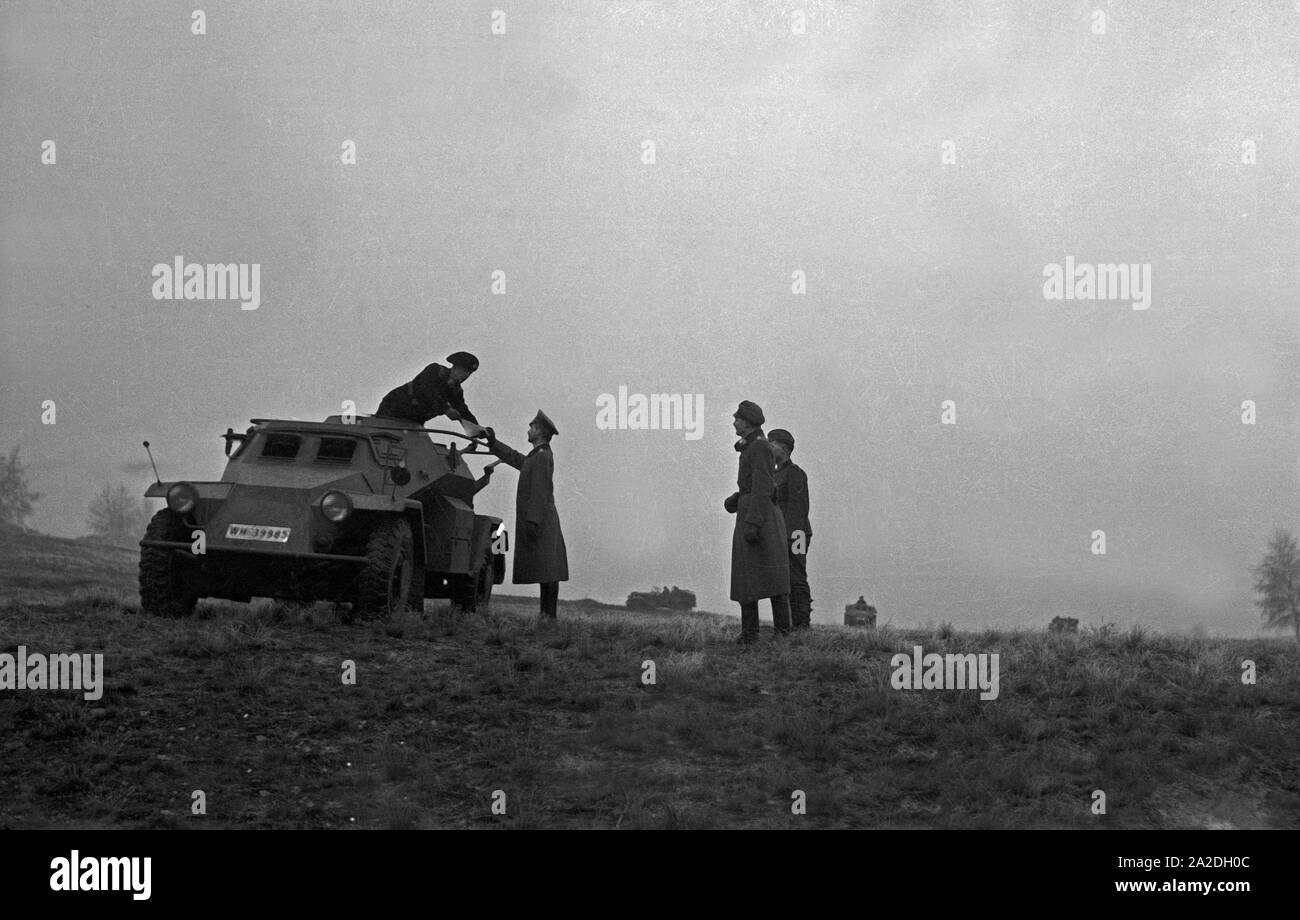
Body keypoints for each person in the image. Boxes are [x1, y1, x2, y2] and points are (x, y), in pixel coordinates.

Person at [485, 411, 568, 619]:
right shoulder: (537, 456)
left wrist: (532, 521)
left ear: (539, 431)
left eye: (532, 427)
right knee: (547, 570)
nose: (528, 430)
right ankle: (547, 617)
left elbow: (540, 490)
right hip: (542, 520)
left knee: (548, 572)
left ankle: (548, 618)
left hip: (539, 520)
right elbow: (515, 457)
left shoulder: (541, 457)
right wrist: (494, 443)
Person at [723, 401, 791, 643]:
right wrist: (737, 498)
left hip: (759, 518)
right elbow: (756, 483)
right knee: (747, 576)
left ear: (747, 422)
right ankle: (751, 633)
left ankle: (781, 632)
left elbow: (763, 486)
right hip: (753, 512)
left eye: (737, 419)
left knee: (773, 577)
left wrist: (752, 522)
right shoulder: (754, 447)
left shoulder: (760, 447)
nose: (734, 423)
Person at [768, 428, 812, 629]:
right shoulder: (774, 474)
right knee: (783, 578)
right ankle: (790, 622)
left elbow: (799, 508)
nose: (769, 447)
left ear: (784, 448)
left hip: (797, 534)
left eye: (772, 443)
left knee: (797, 575)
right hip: (783, 534)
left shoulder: (795, 473)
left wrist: (789, 537)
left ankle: (802, 623)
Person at [375, 351, 481, 429]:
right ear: (455, 367)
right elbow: (428, 390)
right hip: (394, 408)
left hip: (414, 422)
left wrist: (478, 429)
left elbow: (462, 410)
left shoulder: (456, 392)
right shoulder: (435, 371)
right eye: (464, 371)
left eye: (469, 373)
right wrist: (446, 409)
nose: (466, 375)